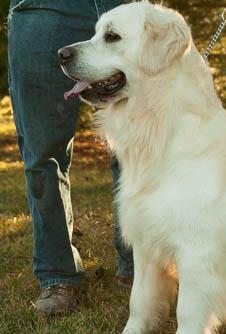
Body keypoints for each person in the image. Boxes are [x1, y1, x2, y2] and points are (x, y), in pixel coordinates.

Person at [7, 0, 133, 315]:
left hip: (125, 5)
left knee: (136, 148)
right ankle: (58, 274)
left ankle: (139, 266)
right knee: (43, 152)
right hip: (43, 8)